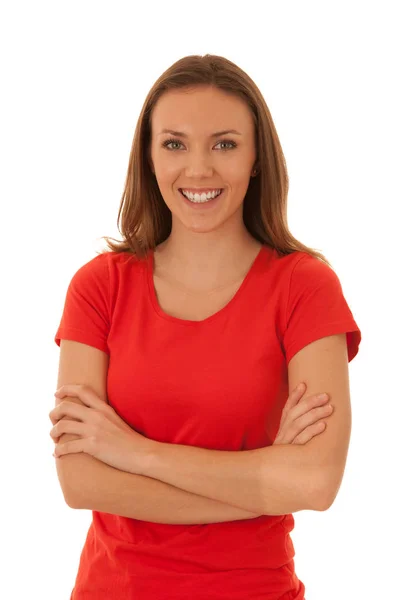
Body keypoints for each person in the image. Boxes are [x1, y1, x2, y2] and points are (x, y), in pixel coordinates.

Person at [50, 54, 361, 600]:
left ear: (256, 158)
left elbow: (315, 481)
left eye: (224, 144)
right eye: (174, 144)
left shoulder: (305, 288)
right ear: (147, 157)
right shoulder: (98, 287)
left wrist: (135, 453)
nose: (198, 169)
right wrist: (264, 483)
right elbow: (81, 483)